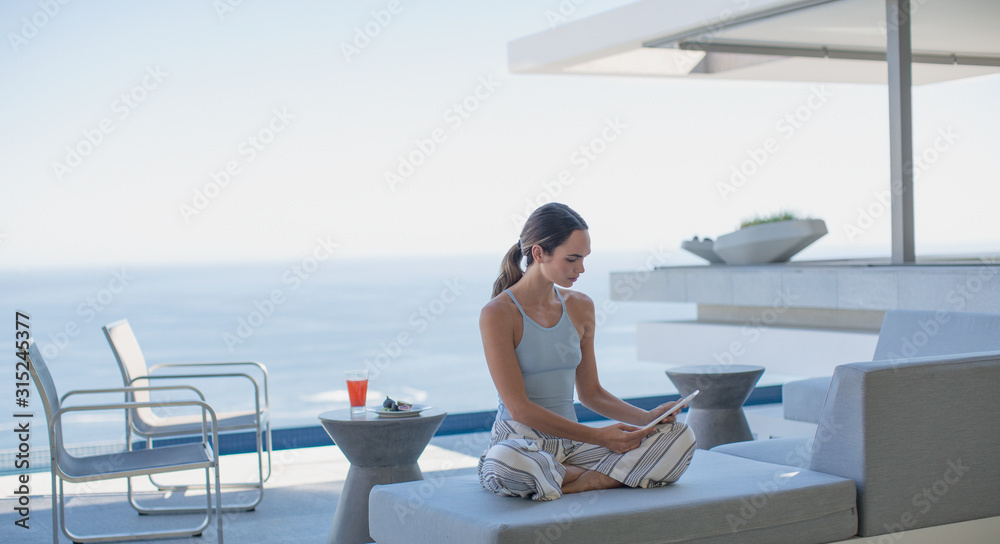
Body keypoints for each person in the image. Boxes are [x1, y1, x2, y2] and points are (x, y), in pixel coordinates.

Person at [477, 202, 696, 501]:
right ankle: (605, 476)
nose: (580, 268)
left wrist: (646, 419)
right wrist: (600, 437)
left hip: (572, 446)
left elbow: (591, 393)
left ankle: (573, 481)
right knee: (505, 463)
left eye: (583, 258)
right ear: (539, 253)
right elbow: (520, 409)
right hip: (520, 442)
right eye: (572, 259)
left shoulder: (580, 306)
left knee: (680, 437)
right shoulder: (497, 313)